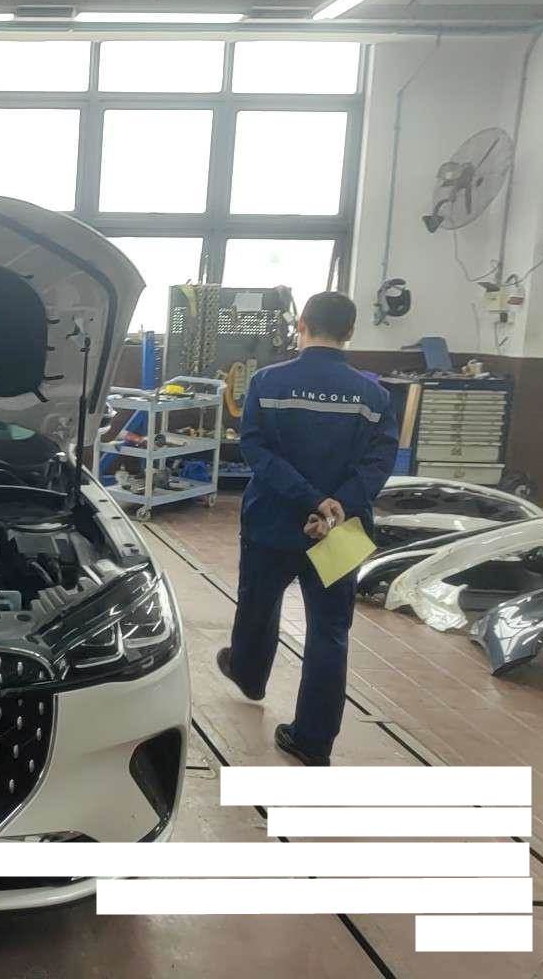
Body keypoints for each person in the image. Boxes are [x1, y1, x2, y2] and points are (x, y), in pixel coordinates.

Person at [216, 291, 399, 766]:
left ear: (301, 324)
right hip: (342, 529)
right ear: (350, 332)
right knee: (330, 631)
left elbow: (255, 449)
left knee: (258, 605)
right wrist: (335, 507)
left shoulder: (268, 381)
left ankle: (249, 675)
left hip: (273, 522)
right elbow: (379, 462)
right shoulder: (375, 396)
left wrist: (309, 498)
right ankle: (313, 741)